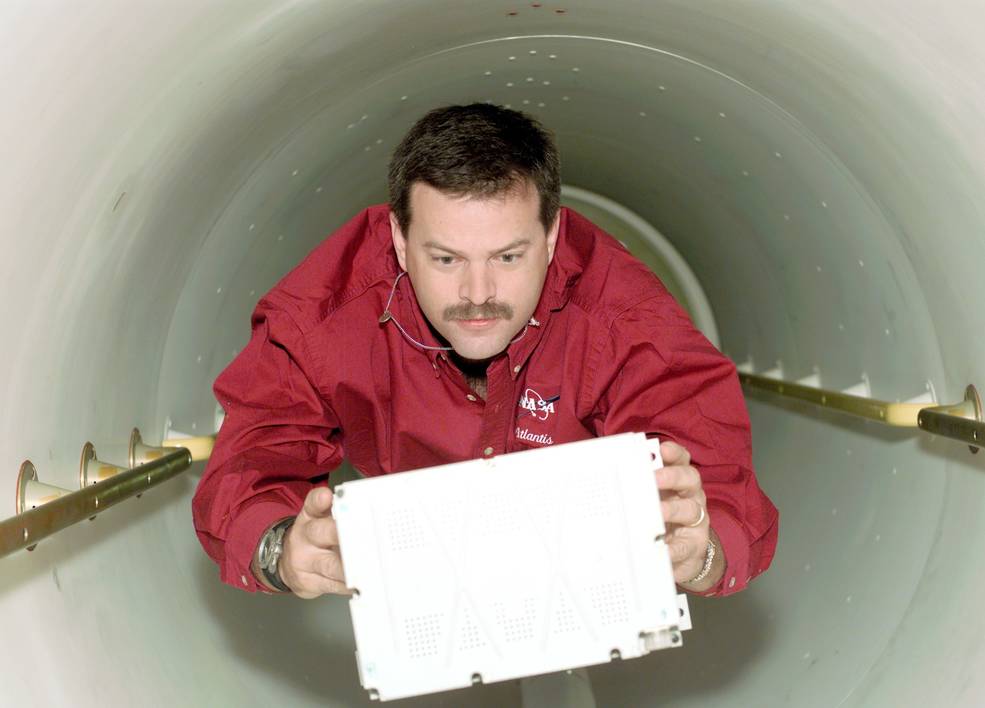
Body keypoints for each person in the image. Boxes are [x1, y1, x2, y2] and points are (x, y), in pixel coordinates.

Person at [192, 103, 778, 600]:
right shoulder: (326, 315)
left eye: (508, 257)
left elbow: (719, 486)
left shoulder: (621, 318)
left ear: (551, 238)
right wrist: (280, 551)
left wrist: (701, 554)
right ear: (399, 241)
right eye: (446, 259)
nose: (478, 295)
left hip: (577, 562)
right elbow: (251, 459)